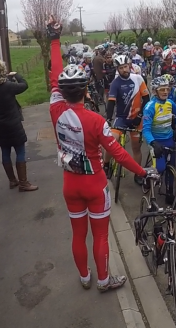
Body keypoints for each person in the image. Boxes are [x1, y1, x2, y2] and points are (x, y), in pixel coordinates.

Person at [46, 16, 150, 291]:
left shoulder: (55, 110)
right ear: (85, 90)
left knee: (78, 235)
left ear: (62, 91)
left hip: (70, 184)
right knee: (100, 235)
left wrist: (53, 39)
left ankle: (84, 277)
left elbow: (56, 74)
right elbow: (119, 154)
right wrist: (143, 172)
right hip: (94, 184)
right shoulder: (95, 121)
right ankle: (104, 280)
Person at [0, 59, 37, 192]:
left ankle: (12, 181)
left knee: (5, 151)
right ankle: (23, 183)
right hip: (13, 123)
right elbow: (24, 85)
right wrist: (15, 76)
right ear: (3, 71)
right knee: (20, 151)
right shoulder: (7, 86)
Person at [105, 54, 150, 183]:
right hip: (121, 118)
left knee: (136, 148)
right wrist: (108, 119)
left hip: (137, 118)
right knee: (111, 141)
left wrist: (140, 116)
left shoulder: (138, 79)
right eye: (121, 68)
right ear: (117, 69)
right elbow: (111, 103)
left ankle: (138, 174)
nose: (124, 70)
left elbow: (146, 99)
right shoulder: (115, 83)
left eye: (125, 66)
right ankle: (106, 165)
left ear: (129, 66)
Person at [143, 77, 176, 206]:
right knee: (160, 168)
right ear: (155, 91)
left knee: (171, 168)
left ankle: (169, 195)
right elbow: (146, 130)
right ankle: (147, 178)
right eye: (162, 89)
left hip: (169, 140)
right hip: (156, 141)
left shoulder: (170, 103)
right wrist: (154, 143)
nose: (166, 92)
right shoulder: (150, 107)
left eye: (167, 89)